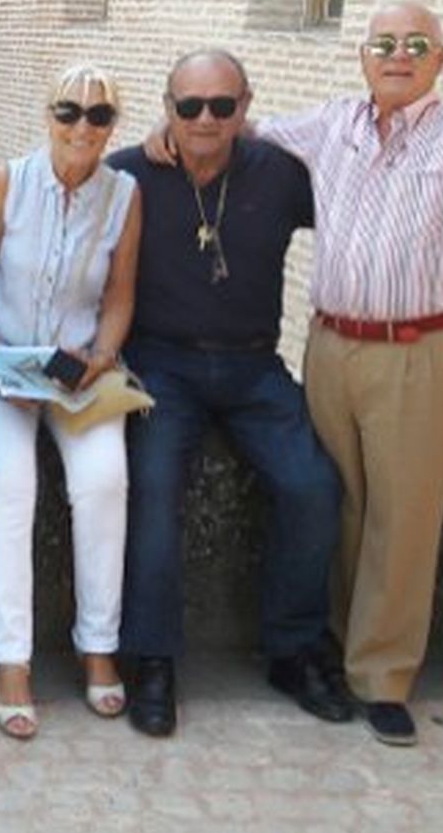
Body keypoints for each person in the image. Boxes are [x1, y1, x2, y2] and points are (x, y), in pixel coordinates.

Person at [146, 2, 443, 746]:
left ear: (440, 59)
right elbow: (234, 128)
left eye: (417, 45)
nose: (398, 56)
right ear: (363, 55)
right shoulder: (331, 126)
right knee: (339, 500)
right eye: (384, 43)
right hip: (331, 348)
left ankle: (382, 679)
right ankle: (335, 646)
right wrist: (167, 132)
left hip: (422, 348)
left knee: (403, 519)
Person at [107, 50, 350, 739]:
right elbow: (55, 200)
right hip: (161, 365)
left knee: (313, 484)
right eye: (189, 106)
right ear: (168, 108)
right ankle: (151, 657)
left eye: (222, 105)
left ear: (246, 107)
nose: (205, 119)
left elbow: (358, 205)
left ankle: (293, 649)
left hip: (253, 368)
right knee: (152, 487)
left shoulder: (278, 173)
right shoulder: (129, 174)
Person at [0, 63, 142, 739]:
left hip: (76, 371)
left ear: (113, 127)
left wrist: (102, 354)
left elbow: (119, 296)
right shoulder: (8, 181)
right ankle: (11, 660)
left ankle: (99, 645)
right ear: (47, 115)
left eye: (99, 116)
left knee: (104, 480)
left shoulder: (125, 195)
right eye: (69, 112)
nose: (82, 128)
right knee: (11, 482)